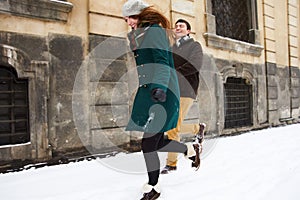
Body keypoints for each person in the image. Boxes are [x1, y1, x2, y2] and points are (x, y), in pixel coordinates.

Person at [122, 1, 202, 199]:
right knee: (156, 142)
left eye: (131, 18)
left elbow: (162, 61)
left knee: (148, 143)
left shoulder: (154, 31)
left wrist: (159, 87)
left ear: (141, 15)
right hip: (151, 90)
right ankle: (189, 149)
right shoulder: (141, 34)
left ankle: (153, 186)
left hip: (162, 90)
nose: (128, 23)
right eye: (125, 20)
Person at [161, 19, 206, 174]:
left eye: (181, 26)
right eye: (176, 26)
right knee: (171, 126)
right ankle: (197, 128)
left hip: (187, 90)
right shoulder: (172, 49)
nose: (178, 27)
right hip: (172, 91)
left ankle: (171, 164)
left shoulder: (194, 46)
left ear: (188, 31)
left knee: (173, 127)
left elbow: (195, 65)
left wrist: (174, 72)